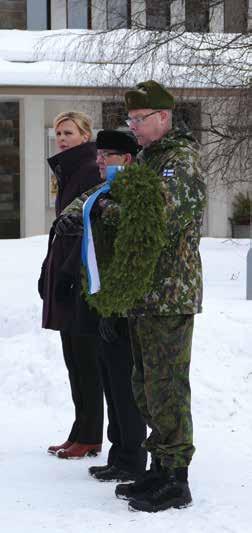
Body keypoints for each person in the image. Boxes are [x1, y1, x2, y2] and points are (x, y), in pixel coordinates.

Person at [113, 81, 206, 512]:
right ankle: (159, 466)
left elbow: (160, 218)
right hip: (145, 293)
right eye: (130, 120)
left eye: (139, 119)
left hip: (170, 292)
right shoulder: (151, 159)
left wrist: (113, 209)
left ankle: (177, 478)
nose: (133, 127)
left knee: (167, 386)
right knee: (145, 385)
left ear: (163, 117)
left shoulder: (179, 161)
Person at [56, 129, 147, 481]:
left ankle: (132, 456)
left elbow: (133, 240)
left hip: (126, 301)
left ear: (124, 159)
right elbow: (82, 207)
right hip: (103, 298)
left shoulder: (137, 188)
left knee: (125, 381)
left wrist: (119, 303)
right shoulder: (102, 190)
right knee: (110, 376)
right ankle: (119, 452)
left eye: (104, 156)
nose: (98, 161)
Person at [38, 111, 103, 459]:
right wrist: (48, 268)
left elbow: (85, 230)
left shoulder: (90, 170)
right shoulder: (69, 171)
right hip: (65, 274)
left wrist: (64, 272)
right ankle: (80, 430)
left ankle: (91, 434)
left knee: (85, 358)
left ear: (84, 135)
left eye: (68, 132)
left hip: (80, 279)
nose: (61, 138)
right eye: (58, 132)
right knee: (73, 358)